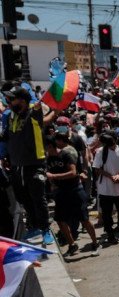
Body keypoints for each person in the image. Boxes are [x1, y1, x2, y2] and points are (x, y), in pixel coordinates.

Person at [3, 86, 59, 245]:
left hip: (34, 164)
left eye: (11, 98)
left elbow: (45, 110)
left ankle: (45, 228)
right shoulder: (11, 117)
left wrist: (56, 102)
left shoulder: (34, 113)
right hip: (16, 165)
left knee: (37, 197)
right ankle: (34, 226)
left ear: (21, 100)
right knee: (23, 197)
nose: (8, 101)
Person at [46, 134, 100, 256]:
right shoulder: (49, 159)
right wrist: (52, 182)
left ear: (50, 146)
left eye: (46, 148)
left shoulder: (66, 154)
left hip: (75, 190)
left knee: (84, 219)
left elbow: (73, 172)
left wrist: (53, 177)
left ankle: (95, 243)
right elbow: (49, 173)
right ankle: (72, 245)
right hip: (61, 193)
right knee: (60, 220)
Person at [92, 132, 119, 244]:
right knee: (107, 212)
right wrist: (111, 177)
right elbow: (97, 169)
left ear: (116, 139)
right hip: (105, 188)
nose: (111, 145)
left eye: (112, 142)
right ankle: (110, 233)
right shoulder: (101, 151)